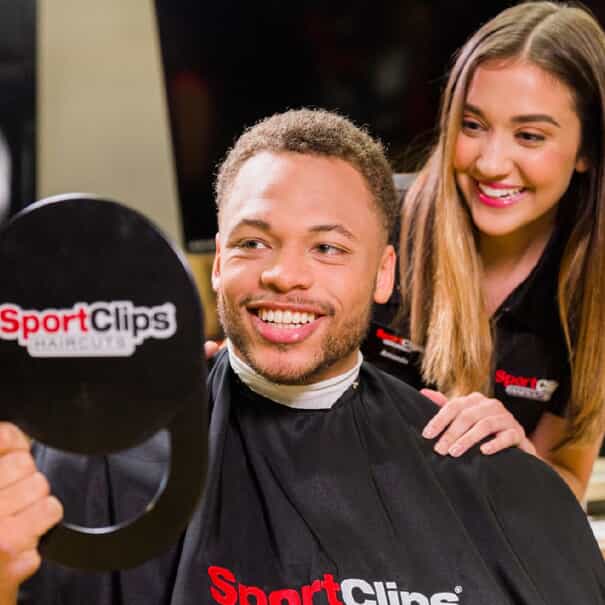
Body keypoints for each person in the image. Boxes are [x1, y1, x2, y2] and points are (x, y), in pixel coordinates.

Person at [3, 109, 605, 604]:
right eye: (253, 242)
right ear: (218, 262)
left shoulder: (482, 468)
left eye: (327, 247)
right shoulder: (105, 462)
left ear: (383, 273)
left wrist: (520, 483)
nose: (284, 274)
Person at [364, 0, 605, 502]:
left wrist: (520, 463)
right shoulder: (373, 226)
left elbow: (566, 486)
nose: (491, 163)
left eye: (529, 136)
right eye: (472, 126)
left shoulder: (595, 286)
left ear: (588, 150)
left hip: (486, 551)